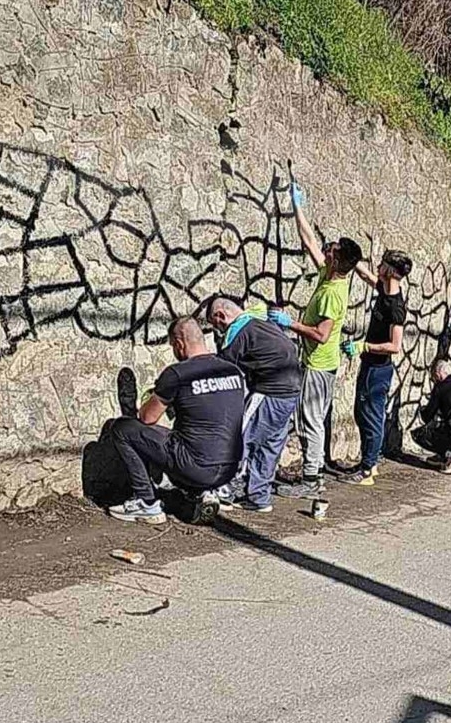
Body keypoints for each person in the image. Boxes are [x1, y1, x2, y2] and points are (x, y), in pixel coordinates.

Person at [267, 181, 363, 499]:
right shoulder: (331, 273)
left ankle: (311, 480)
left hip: (319, 365)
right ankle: (312, 475)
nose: (326, 250)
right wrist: (298, 207)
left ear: (337, 262)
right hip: (316, 362)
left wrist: (289, 323)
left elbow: (321, 336)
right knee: (310, 418)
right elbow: (309, 241)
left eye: (332, 251)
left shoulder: (334, 294)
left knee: (311, 420)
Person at [108, 318, 245, 524]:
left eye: (173, 345)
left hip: (197, 466)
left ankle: (147, 503)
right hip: (229, 469)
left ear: (180, 344)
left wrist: (152, 397)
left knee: (121, 428)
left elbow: (147, 418)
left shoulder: (178, 374)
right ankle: (202, 493)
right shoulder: (232, 371)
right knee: (187, 433)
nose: (174, 350)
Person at [208, 296, 302, 513]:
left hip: (269, 391)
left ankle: (225, 490)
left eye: (217, 325)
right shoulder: (261, 322)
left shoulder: (238, 332)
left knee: (241, 437)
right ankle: (259, 496)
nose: (219, 330)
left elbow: (223, 369)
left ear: (221, 316)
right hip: (291, 391)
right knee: (270, 444)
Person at [339, 249, 414, 485]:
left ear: (391, 270)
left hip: (379, 370)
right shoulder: (383, 290)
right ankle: (368, 461)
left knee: (371, 416)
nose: (377, 266)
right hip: (370, 365)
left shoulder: (396, 308)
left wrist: (365, 346)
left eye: (382, 264)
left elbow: (395, 346)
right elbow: (365, 276)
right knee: (361, 414)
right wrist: (351, 260)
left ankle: (368, 469)